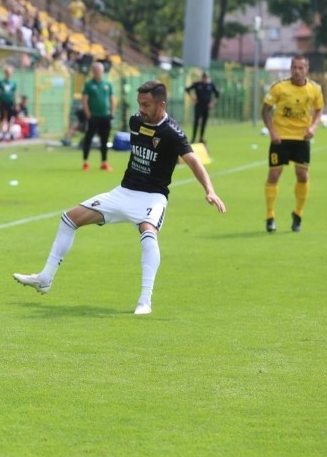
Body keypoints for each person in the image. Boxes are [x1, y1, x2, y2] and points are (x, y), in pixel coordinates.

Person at [13, 80, 226, 315]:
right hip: (123, 192)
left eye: (146, 104)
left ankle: (145, 301)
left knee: (148, 233)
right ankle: (45, 278)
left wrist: (210, 190)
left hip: (152, 197)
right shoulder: (135, 121)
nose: (141, 109)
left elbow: (193, 160)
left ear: (161, 104)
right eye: (139, 104)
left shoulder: (172, 132)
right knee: (69, 218)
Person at [261, 54, 324, 233]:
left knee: (302, 176)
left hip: (302, 138)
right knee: (274, 175)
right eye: (294, 67)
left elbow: (319, 110)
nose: (297, 71)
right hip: (280, 137)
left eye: (300, 68)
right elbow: (265, 111)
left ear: (307, 69)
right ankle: (270, 216)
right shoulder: (279, 88)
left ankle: (298, 214)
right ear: (290, 68)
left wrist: (313, 127)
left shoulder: (314, 89)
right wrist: (272, 131)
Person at [80, 61, 116, 171]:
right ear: (92, 72)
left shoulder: (108, 84)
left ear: (102, 71)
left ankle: (104, 162)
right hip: (93, 116)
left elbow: (112, 99)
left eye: (99, 70)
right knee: (88, 138)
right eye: (95, 70)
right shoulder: (89, 85)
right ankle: (85, 162)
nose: (97, 72)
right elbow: (85, 100)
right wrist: (88, 114)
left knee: (104, 140)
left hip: (105, 116)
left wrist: (112, 113)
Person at [185, 72, 220, 144]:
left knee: (204, 122)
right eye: (203, 77)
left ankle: (201, 138)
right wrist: (192, 98)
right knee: (196, 122)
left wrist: (212, 103)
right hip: (198, 106)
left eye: (205, 77)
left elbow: (217, 94)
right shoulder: (197, 84)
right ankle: (193, 138)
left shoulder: (210, 85)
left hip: (206, 106)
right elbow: (187, 89)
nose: (204, 79)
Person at [0, 66, 17, 141]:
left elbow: (15, 94)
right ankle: (1, 135)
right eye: (7, 72)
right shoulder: (1, 82)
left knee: (9, 119)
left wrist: (16, 103)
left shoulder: (13, 83)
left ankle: (8, 135)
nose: (8, 74)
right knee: (1, 118)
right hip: (2, 101)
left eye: (10, 72)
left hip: (10, 102)